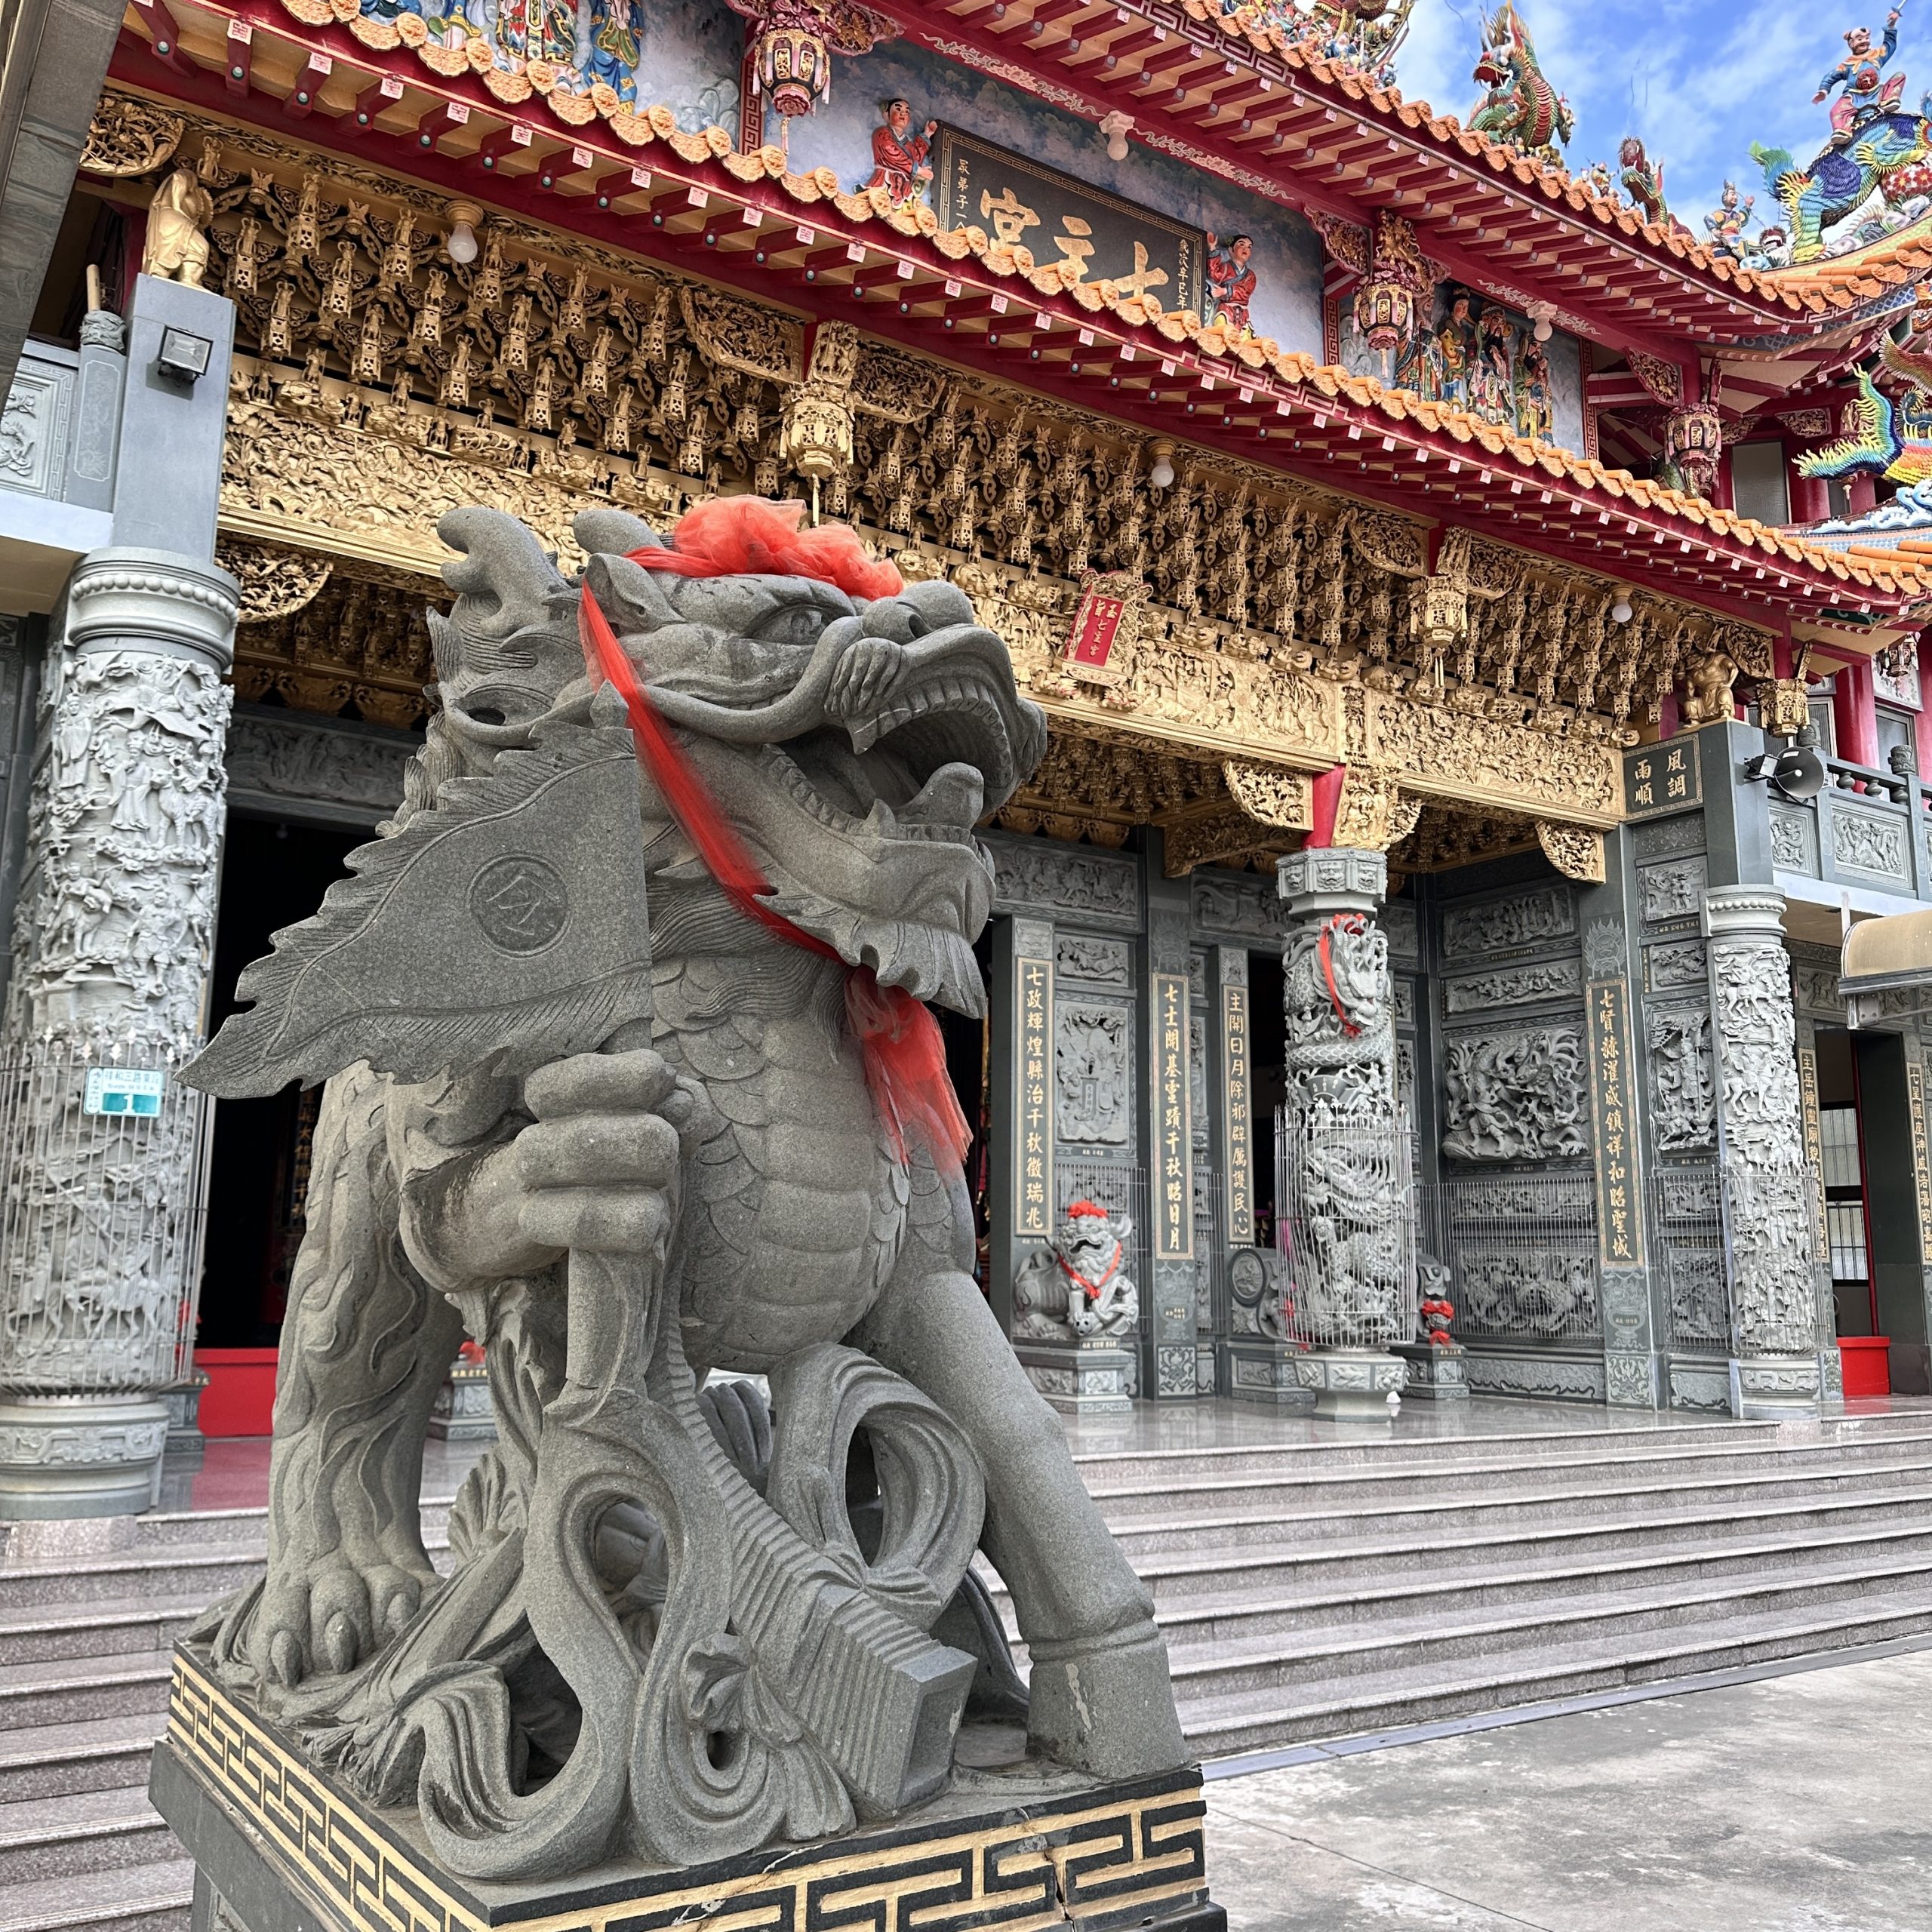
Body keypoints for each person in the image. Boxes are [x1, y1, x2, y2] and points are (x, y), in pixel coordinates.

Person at [1815, 11, 1908, 143]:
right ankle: (1842, 131)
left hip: (1877, 92)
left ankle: (1888, 101)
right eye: (1859, 39)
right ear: (1851, 43)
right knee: (1836, 111)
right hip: (1853, 96)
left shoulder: (1877, 55)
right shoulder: (1848, 64)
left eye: (1866, 38)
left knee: (1899, 76)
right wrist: (1823, 90)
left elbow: (1889, 44)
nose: (1864, 41)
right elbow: (1831, 76)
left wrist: (1891, 26)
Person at [863, 98, 937, 208]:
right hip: (885, 181)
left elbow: (916, 158)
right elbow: (893, 154)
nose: (903, 114)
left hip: (903, 188)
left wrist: (927, 135)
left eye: (907, 112)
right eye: (898, 109)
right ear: (887, 115)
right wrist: (918, 170)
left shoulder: (907, 143)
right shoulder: (882, 133)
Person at [1205, 232, 1256, 336]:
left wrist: (1225, 291)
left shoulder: (1250, 275)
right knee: (1222, 333)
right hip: (1226, 310)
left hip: (1243, 315)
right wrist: (1212, 248)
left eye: (1249, 247)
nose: (1246, 249)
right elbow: (1214, 273)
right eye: (1241, 244)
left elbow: (1246, 292)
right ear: (1231, 249)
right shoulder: (1225, 268)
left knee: (1244, 339)